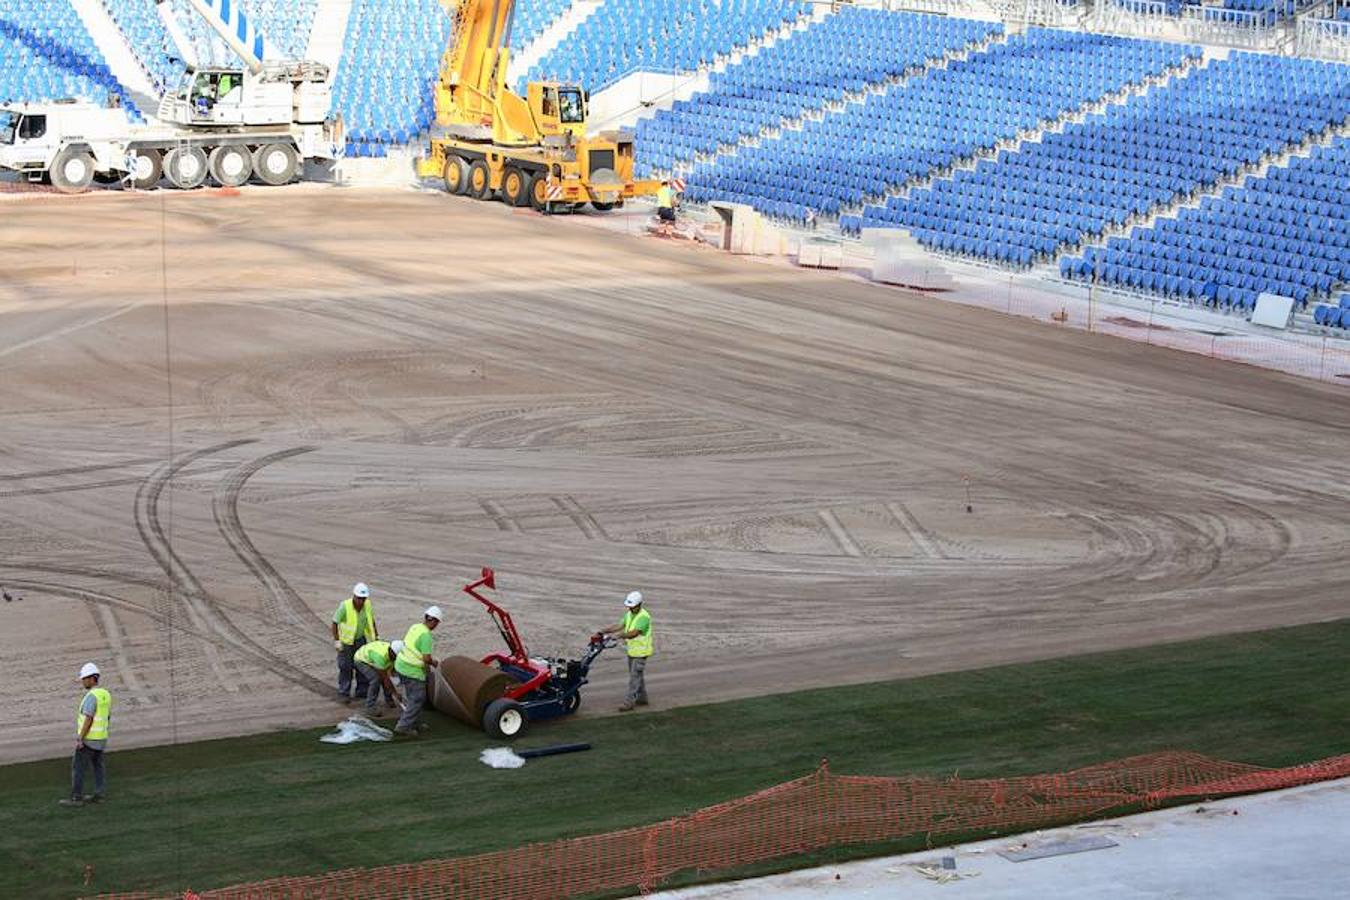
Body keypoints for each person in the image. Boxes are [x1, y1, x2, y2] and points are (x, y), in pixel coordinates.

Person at [61, 663, 111, 807]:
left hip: (89, 740)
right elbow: (107, 717)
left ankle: (76, 798)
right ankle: (99, 795)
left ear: (91, 679)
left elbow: (88, 718)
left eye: (84, 679)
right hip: (101, 739)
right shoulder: (105, 695)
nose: (83, 682)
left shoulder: (91, 697)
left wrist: (80, 738)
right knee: (98, 767)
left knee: (78, 768)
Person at [599, 591, 654, 712]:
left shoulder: (644, 617)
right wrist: (603, 631)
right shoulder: (629, 614)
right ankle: (643, 698)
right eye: (629, 606)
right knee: (637, 675)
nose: (629, 608)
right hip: (632, 651)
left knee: (634, 677)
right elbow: (619, 625)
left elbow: (634, 633)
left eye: (632, 606)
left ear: (639, 604)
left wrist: (619, 636)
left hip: (641, 652)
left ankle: (629, 703)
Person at [393, 606, 442, 736]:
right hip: (412, 670)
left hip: (401, 665)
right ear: (435, 621)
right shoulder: (426, 636)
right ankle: (403, 726)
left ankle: (413, 721)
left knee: (411, 697)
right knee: (418, 698)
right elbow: (426, 658)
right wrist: (434, 662)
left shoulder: (415, 627)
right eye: (437, 622)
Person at [331, 582, 379, 703]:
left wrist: (376, 636)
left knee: (361, 665)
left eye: (363, 599)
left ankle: (362, 691)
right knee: (345, 667)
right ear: (354, 596)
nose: (361, 601)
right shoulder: (345, 606)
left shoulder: (367, 605)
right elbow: (335, 622)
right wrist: (337, 640)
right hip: (346, 643)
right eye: (359, 598)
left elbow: (371, 620)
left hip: (360, 640)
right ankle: (344, 692)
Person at [353, 639, 405, 718]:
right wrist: (395, 693)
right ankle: (370, 707)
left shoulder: (392, 654)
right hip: (361, 659)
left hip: (372, 657)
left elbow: (390, 672)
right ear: (392, 653)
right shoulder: (380, 656)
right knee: (375, 679)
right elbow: (385, 678)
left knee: (385, 677)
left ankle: (389, 699)